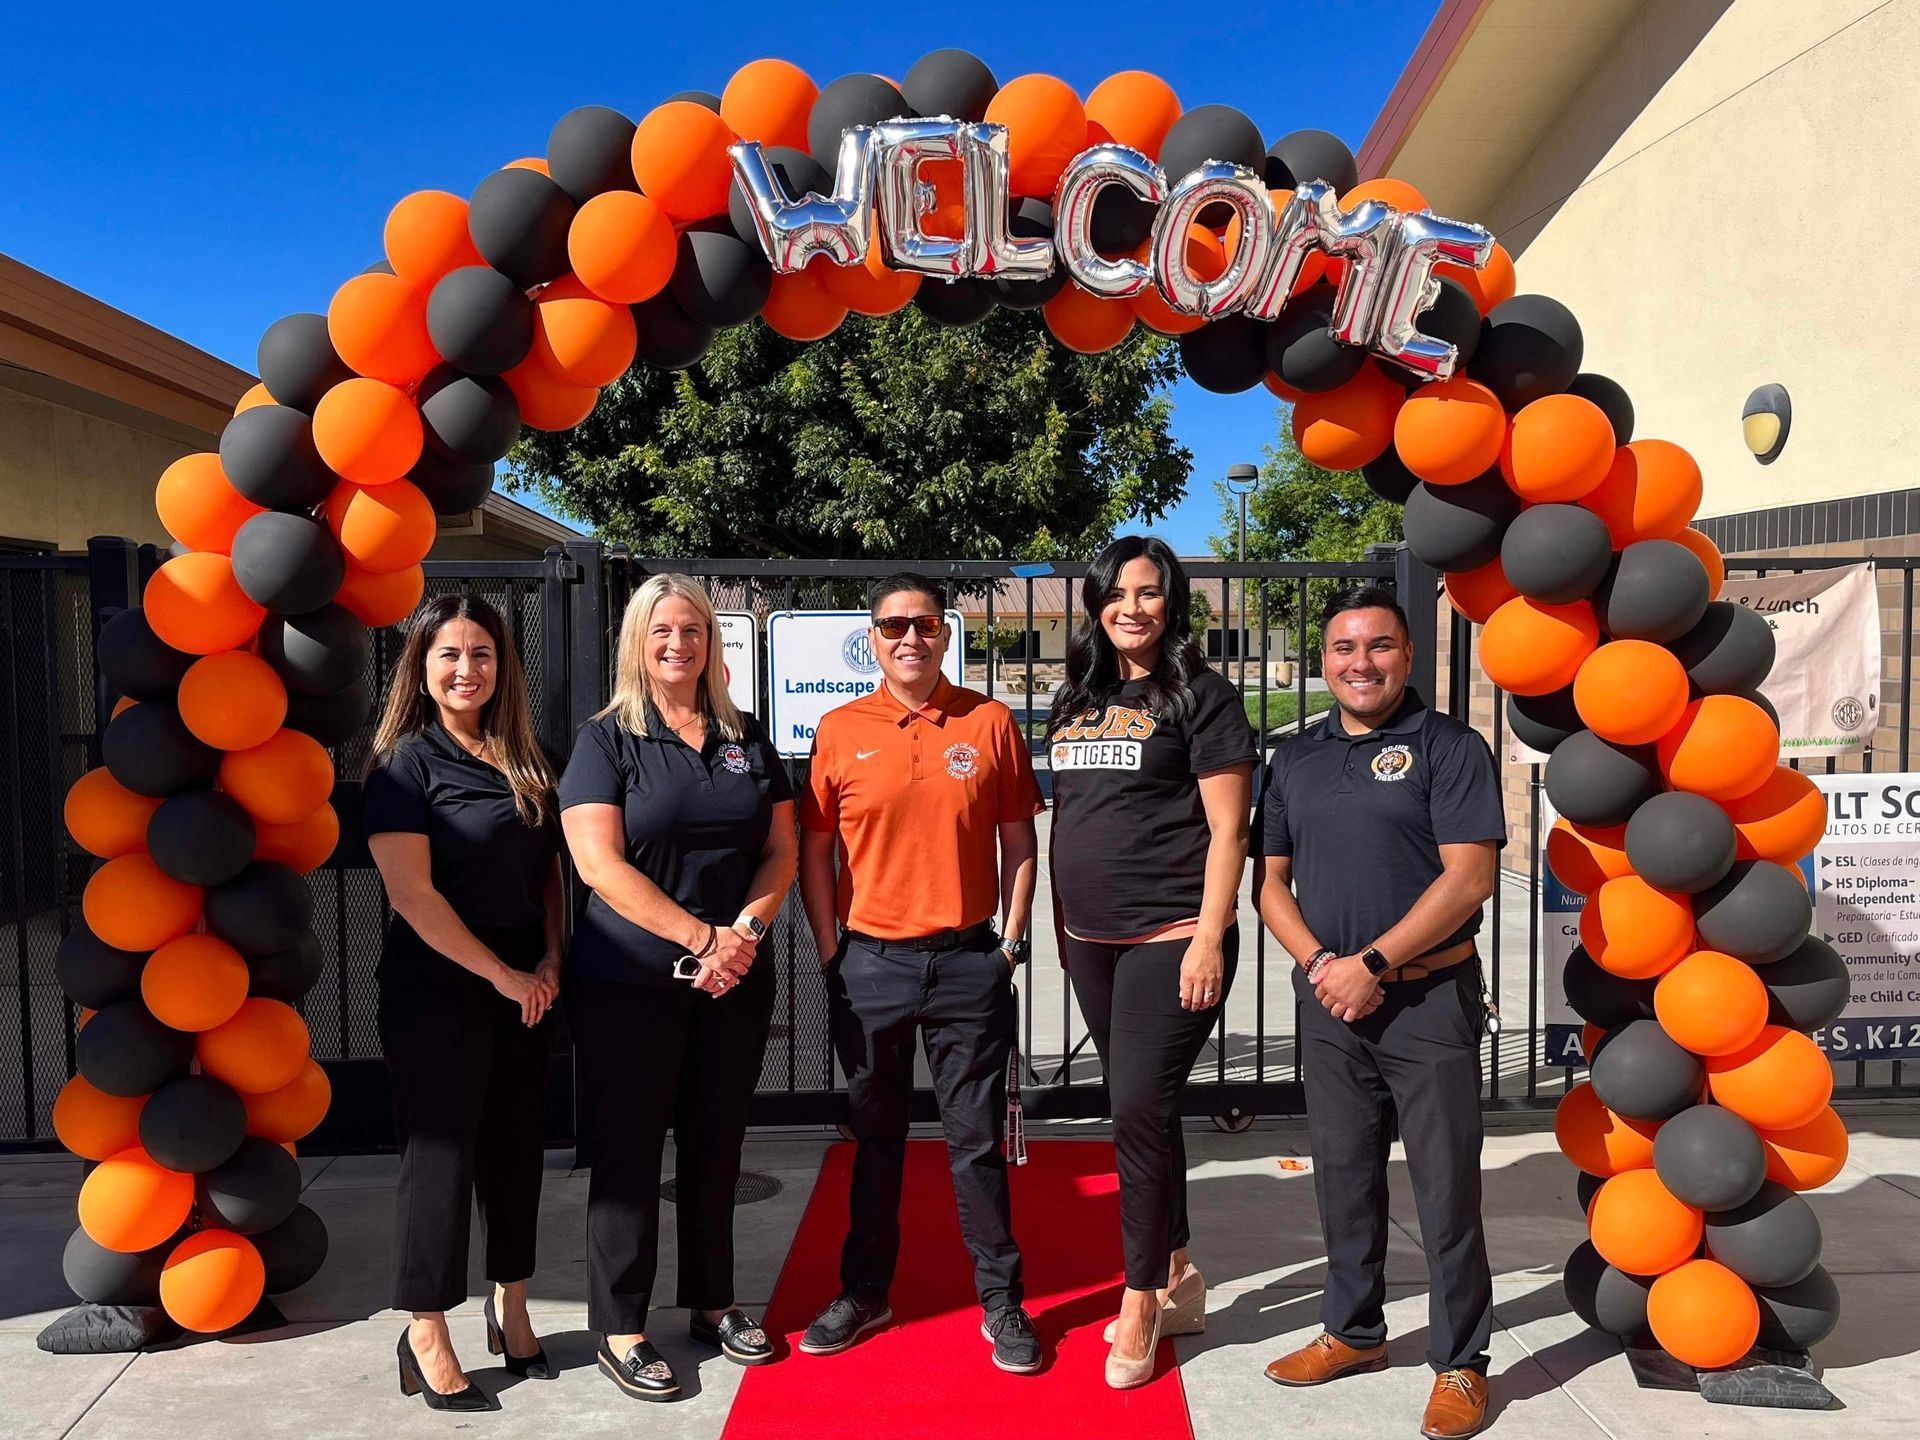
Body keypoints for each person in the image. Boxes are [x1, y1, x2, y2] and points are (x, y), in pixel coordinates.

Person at [1254, 585, 1504, 1440]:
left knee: (1445, 1187)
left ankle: (1462, 1362)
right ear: (1322, 660)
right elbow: (1269, 884)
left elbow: (1468, 876)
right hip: (1331, 1004)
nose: (1361, 663)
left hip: (1428, 1000)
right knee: (1343, 1180)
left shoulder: (1448, 745)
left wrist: (1373, 963)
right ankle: (1355, 1331)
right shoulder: (1292, 760)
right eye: (1344, 649)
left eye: (1380, 646)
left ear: (1406, 654)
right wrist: (1327, 966)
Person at [796, 573, 1046, 1374]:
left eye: (925, 625)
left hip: (970, 962)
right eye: (893, 626)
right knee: (876, 1139)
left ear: (946, 633)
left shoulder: (992, 721)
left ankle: (1002, 1302)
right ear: (873, 638)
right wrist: (832, 949)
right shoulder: (839, 729)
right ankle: (866, 1290)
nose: (910, 638)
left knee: (976, 1147)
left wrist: (1008, 944)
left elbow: (1020, 843)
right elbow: (815, 850)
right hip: (870, 965)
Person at [560, 573, 798, 1403]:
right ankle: (621, 1326)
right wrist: (702, 938)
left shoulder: (745, 736)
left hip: (732, 980)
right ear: (637, 642)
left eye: (692, 630)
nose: (677, 644)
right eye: (662, 631)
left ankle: (711, 1301)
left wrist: (745, 938)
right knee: (628, 1155)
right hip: (630, 979)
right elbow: (598, 865)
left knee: (715, 1146)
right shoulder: (606, 741)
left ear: (711, 642)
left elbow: (780, 852)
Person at [1045, 536, 1254, 1389]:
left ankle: (1139, 1300)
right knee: (1149, 1110)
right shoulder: (1073, 698)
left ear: (1172, 603)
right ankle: (1179, 1274)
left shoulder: (1202, 697)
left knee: (1133, 1111)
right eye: (1116, 592)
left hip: (1172, 936)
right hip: (1089, 940)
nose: (1131, 607)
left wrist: (1209, 934)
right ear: (1095, 603)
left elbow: (1229, 831)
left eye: (1149, 592)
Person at [364, 593, 563, 1413]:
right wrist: (503, 974)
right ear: (422, 666)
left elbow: (548, 872)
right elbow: (413, 896)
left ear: (501, 667)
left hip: (527, 986)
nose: (466, 669)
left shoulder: (528, 758)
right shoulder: (402, 767)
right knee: (439, 1163)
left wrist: (549, 957)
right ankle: (426, 1330)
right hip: (438, 991)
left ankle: (510, 1303)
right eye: (449, 654)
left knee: (518, 1150)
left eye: (482, 653)